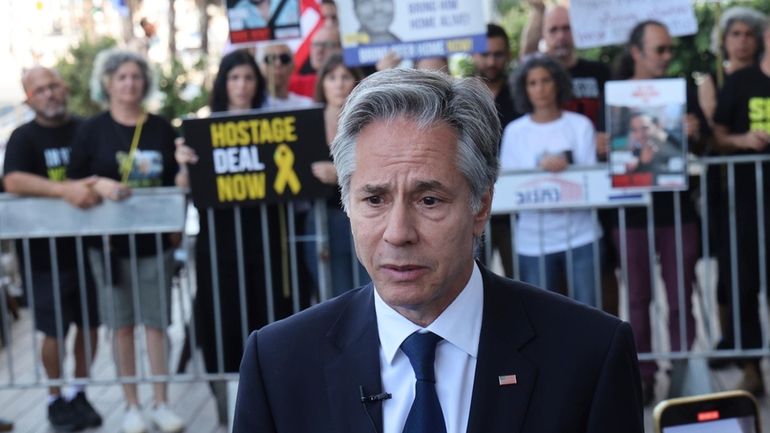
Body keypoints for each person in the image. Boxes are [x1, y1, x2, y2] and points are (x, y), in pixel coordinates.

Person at [233, 68, 644, 433]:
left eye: (428, 200)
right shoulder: (278, 365)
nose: (398, 233)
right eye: (374, 200)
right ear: (346, 203)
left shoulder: (589, 355)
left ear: (480, 204)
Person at [66, 49, 184, 433]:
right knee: (121, 327)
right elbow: (72, 181)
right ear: (107, 83)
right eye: (121, 77)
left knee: (155, 325)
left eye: (135, 77)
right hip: (109, 248)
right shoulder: (91, 130)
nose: (129, 84)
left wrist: (184, 168)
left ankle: (161, 402)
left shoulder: (162, 128)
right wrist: (97, 183)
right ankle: (131, 405)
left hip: (155, 245)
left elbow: (175, 184)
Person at [174, 49, 287, 424]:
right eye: (234, 78)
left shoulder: (277, 124)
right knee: (223, 318)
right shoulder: (201, 132)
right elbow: (183, 187)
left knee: (269, 314)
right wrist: (184, 164)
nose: (241, 86)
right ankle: (231, 408)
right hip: (219, 245)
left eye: (248, 78)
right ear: (223, 83)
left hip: (268, 240)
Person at [2, 66, 103, 432]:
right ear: (29, 98)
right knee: (54, 331)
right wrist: (65, 190)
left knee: (90, 327)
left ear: (64, 87)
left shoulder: (85, 129)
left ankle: (79, 391)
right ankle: (54, 397)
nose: (49, 94)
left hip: (89, 249)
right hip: (44, 256)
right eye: (39, 89)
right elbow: (12, 179)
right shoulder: (22, 138)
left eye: (53, 86)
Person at [614, 20, 707, 405]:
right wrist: (606, 141)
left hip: (676, 209)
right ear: (636, 52)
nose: (668, 57)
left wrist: (695, 129)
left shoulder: (683, 89)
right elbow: (612, 147)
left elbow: (704, 138)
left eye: (670, 49)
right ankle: (644, 375)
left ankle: (685, 371)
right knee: (636, 297)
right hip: (631, 212)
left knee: (680, 294)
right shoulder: (616, 93)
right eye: (660, 50)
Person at [501, 56, 601, 307]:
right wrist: (540, 166)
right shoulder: (515, 131)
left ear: (557, 83)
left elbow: (591, 179)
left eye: (546, 80)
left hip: (582, 235)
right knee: (542, 316)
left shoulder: (580, 126)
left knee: (589, 314)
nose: (540, 88)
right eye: (533, 83)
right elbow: (507, 184)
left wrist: (567, 168)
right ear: (524, 89)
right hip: (533, 240)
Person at [711, 17, 770, 396]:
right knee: (743, 284)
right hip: (743, 204)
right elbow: (717, 137)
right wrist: (742, 140)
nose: (743, 42)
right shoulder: (728, 84)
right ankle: (752, 367)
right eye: (736, 34)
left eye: (750, 34)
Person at [304, 54, 369, 296]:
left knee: (366, 291)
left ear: (356, 81)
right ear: (322, 83)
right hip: (319, 218)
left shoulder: (366, 121)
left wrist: (342, 174)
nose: (339, 84)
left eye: (345, 77)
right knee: (334, 295)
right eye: (332, 77)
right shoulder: (307, 122)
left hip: (360, 216)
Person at [472, 23, 517, 278]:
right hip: (474, 205)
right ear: (473, 55)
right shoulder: (460, 97)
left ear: (508, 55)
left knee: (519, 283)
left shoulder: (521, 94)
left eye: (498, 54)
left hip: (515, 211)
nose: (491, 61)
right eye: (485, 54)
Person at [288, 24, 342, 98]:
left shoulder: (353, 83)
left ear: (340, 48)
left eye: (327, 45)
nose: (319, 50)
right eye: (316, 45)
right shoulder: (296, 85)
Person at [259, 43, 314, 108]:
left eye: (284, 59)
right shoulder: (250, 105)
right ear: (259, 66)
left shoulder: (307, 105)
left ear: (293, 66)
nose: (278, 64)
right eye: (270, 59)